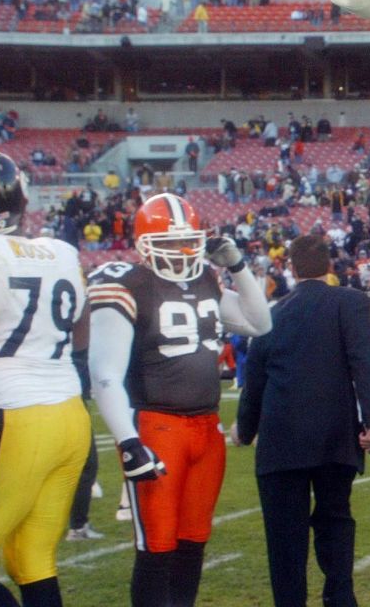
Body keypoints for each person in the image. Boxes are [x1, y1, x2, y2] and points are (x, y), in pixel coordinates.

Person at [88, 193, 272, 607]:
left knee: (193, 541)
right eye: (169, 243)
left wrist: (239, 267)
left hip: (207, 428)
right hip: (157, 425)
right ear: (144, 243)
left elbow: (261, 323)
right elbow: (104, 375)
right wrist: (127, 440)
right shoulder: (128, 284)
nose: (180, 251)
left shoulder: (206, 278)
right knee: (157, 544)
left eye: (187, 241)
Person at [236, 234, 370, 607]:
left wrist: (245, 428)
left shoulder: (272, 313)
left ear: (291, 268)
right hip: (336, 437)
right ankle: (340, 597)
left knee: (285, 537)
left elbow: (254, 383)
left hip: (281, 439)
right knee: (336, 520)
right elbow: (363, 363)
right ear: (330, 267)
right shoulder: (349, 302)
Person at [0, 150, 91, 607]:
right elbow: (81, 329)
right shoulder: (62, 251)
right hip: (69, 414)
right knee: (33, 559)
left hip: (14, 415)